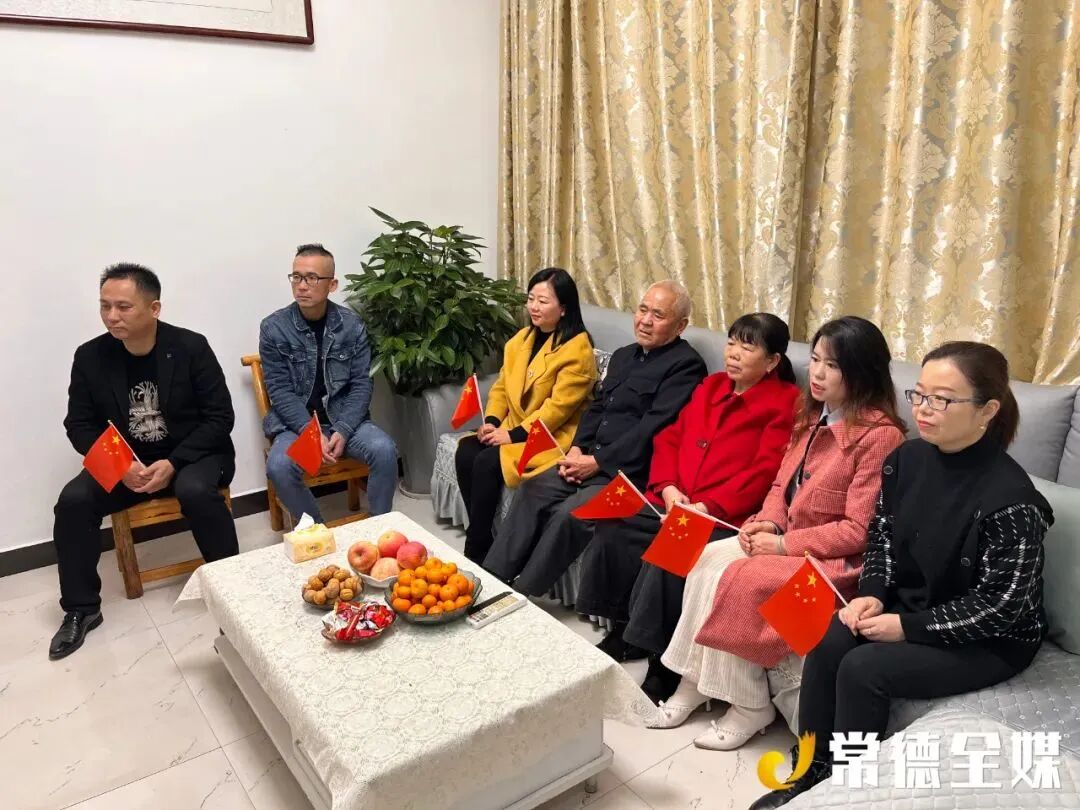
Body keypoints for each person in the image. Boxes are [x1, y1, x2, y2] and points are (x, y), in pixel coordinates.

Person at [749, 341, 1052, 809]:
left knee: (865, 668)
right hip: (912, 604)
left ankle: (847, 792)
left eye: (942, 400)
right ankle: (812, 769)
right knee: (830, 637)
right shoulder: (906, 460)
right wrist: (872, 593)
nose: (924, 409)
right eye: (920, 394)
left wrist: (906, 627)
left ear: (988, 410)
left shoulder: (1013, 501)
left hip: (988, 639)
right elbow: (883, 537)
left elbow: (1000, 608)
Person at [652, 316, 906, 752]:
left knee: (740, 578)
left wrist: (784, 544)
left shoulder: (880, 436)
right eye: (816, 360)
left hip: (832, 563)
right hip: (786, 539)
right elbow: (779, 486)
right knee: (705, 559)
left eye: (832, 365)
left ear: (862, 372)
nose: (817, 373)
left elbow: (858, 531)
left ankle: (750, 705)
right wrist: (768, 523)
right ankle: (692, 682)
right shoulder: (811, 413)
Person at [576, 313, 802, 693]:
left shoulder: (785, 402)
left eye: (747, 347)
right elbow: (670, 437)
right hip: (675, 499)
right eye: (731, 343)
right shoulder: (712, 385)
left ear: (772, 361)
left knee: (672, 549)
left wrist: (706, 507)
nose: (733, 353)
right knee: (616, 522)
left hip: (722, 513)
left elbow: (765, 471)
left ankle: (662, 661)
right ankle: (622, 628)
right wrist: (667, 487)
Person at [51, 263, 238, 660]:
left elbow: (220, 418)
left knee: (194, 489)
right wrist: (120, 466)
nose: (111, 316)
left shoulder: (191, 347)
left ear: (154, 308)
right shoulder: (90, 357)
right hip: (129, 464)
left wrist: (174, 461)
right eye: (105, 306)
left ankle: (233, 588)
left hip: (194, 454)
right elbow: (79, 425)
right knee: (73, 501)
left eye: (123, 307)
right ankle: (81, 609)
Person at [483, 280, 707, 591]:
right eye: (642, 310)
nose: (645, 320)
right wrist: (577, 449)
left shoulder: (686, 366)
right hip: (589, 458)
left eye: (658, 315)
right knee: (533, 488)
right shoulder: (624, 356)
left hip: (630, 476)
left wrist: (597, 462)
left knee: (571, 514)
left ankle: (524, 593)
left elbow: (654, 428)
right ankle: (492, 578)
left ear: (680, 325)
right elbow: (597, 408)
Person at [456, 267, 596, 564]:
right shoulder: (522, 339)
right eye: (531, 298)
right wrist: (492, 422)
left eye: (543, 301)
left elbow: (557, 410)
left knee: (488, 461)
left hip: (550, 435)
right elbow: (502, 386)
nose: (534, 307)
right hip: (516, 425)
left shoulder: (577, 349)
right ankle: (482, 534)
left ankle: (476, 546)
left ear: (564, 308)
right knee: (466, 450)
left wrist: (512, 435)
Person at [260, 243, 397, 522]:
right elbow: (280, 390)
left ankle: (379, 527)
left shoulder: (352, 325)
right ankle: (318, 533)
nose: (301, 286)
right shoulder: (273, 328)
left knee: (384, 450)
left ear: (332, 285)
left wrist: (343, 430)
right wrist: (310, 432)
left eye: (311, 278)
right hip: (296, 425)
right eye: (296, 277)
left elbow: (361, 385)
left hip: (344, 420)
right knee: (279, 466)